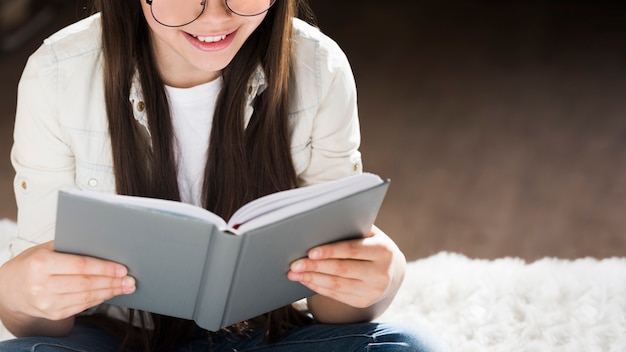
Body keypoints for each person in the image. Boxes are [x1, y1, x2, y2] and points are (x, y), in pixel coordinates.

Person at [0, 0, 450, 351]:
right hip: (114, 340)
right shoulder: (58, 73)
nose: (215, 18)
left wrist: (378, 279)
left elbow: (335, 314)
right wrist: (20, 292)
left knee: (408, 347)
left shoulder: (319, 66)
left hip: (259, 338)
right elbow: (36, 328)